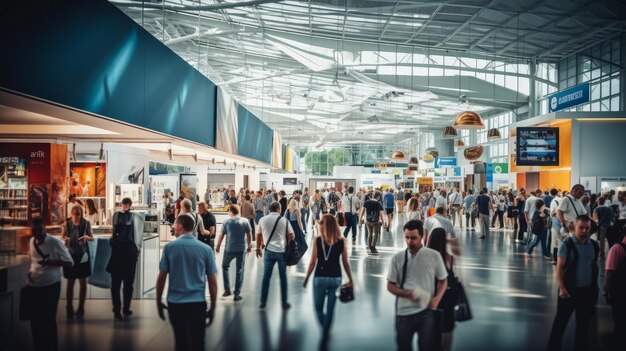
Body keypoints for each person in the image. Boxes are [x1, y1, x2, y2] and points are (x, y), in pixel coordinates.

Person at [156, 215, 218, 351]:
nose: (173, 227)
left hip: (175, 303)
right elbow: (212, 282)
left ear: (180, 227)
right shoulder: (205, 249)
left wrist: (158, 301)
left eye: (175, 225)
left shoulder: (169, 248)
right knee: (198, 343)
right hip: (197, 303)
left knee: (180, 342)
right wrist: (213, 307)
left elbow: (162, 278)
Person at [387, 220, 448, 351]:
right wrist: (406, 293)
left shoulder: (433, 256)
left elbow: (443, 280)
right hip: (403, 313)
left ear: (422, 236)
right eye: (407, 238)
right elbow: (390, 285)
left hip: (426, 312)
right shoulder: (397, 258)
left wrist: (436, 300)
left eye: (414, 238)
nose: (410, 242)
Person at [547, 215, 600, 351]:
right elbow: (560, 267)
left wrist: (595, 289)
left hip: (586, 291)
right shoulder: (567, 244)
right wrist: (562, 288)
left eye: (587, 228)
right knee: (560, 324)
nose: (584, 230)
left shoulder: (594, 245)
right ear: (574, 227)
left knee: (583, 326)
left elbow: (593, 267)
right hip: (569, 291)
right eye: (581, 228)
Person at [303, 214, 354, 341]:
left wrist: (306, 278)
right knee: (330, 309)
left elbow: (312, 262)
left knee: (318, 308)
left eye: (321, 224)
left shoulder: (318, 241)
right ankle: (326, 331)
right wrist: (350, 279)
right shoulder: (342, 241)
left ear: (324, 226)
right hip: (336, 278)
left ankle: (324, 330)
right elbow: (345, 262)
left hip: (319, 278)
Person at [27, 217, 73, 351]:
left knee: (48, 320)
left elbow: (69, 263)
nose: (38, 233)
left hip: (51, 286)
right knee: (34, 321)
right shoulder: (31, 241)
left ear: (45, 228)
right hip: (33, 286)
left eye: (40, 229)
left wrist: (50, 262)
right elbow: (32, 260)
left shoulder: (54, 243)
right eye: (35, 230)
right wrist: (29, 273)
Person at [107, 197, 144, 321]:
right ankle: (121, 309)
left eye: (125, 204)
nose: (124, 206)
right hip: (126, 253)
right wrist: (137, 249)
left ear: (128, 204)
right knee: (123, 283)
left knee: (120, 284)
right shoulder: (127, 216)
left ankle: (121, 309)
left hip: (122, 252)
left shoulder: (119, 216)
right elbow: (137, 236)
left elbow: (114, 233)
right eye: (123, 204)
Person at [256, 201, 295, 309]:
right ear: (279, 209)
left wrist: (257, 249)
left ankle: (263, 301)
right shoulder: (284, 220)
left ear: (270, 209)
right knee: (283, 277)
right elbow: (292, 236)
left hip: (268, 251)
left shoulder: (262, 220)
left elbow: (258, 235)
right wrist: (287, 243)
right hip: (282, 252)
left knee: (266, 276)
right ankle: (284, 303)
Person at [427, 228, 459, 351]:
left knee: (431, 325)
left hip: (432, 295)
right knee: (447, 327)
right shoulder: (449, 258)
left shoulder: (427, 257)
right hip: (448, 294)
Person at [61, 204, 94, 319]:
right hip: (70, 255)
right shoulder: (67, 224)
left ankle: (81, 307)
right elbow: (63, 236)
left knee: (82, 282)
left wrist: (86, 238)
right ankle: (69, 307)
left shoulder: (86, 223)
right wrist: (67, 239)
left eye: (78, 214)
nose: (76, 216)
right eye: (74, 214)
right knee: (70, 282)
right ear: (71, 214)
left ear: (81, 214)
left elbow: (91, 236)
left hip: (83, 256)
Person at [215, 205, 252, 301]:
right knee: (240, 270)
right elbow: (249, 234)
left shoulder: (226, 221)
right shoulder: (245, 221)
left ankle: (227, 290)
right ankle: (236, 294)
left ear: (231, 211)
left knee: (225, 266)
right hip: (241, 249)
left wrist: (218, 246)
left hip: (229, 249)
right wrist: (249, 246)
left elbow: (221, 235)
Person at [604, 230, 626, 346]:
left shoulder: (616, 249)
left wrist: (606, 289)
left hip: (619, 291)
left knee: (619, 318)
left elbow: (609, 272)